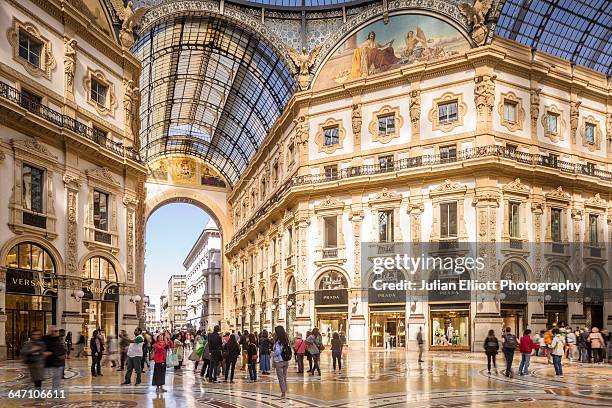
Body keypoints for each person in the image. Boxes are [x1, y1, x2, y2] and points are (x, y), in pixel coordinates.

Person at [273, 326, 291, 398]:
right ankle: (285, 389)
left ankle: (283, 392)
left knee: (280, 377)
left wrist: (272, 353)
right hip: (286, 360)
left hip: (279, 361)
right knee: (284, 376)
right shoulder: (286, 340)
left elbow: (277, 352)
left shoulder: (278, 342)